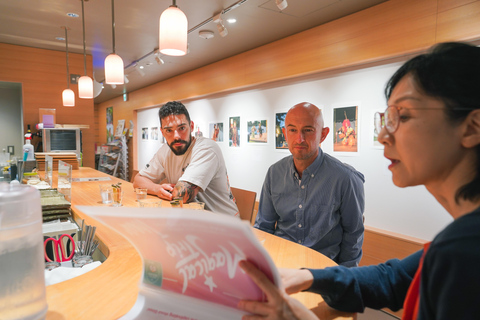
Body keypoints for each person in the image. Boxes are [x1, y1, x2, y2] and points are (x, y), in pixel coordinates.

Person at [238, 42, 480, 319]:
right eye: (387, 118)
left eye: (404, 116)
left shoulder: (465, 252)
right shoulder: (454, 241)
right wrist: (309, 277)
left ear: (472, 127)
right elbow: (393, 278)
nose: (383, 137)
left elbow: (354, 236)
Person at [254, 102, 365, 267]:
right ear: (284, 133)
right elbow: (264, 227)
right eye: (292, 130)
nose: (300, 139)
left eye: (308, 130)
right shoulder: (274, 173)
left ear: (323, 134)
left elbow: (353, 236)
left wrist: (344, 281)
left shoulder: (345, 179)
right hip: (280, 265)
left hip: (322, 273)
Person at [133, 101, 239, 217]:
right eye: (169, 130)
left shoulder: (207, 148)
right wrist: (157, 188)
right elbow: (138, 180)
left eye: (182, 128)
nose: (176, 136)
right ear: (162, 132)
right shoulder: (165, 151)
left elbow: (181, 195)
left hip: (224, 225)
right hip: (193, 220)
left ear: (191, 126)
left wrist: (158, 189)